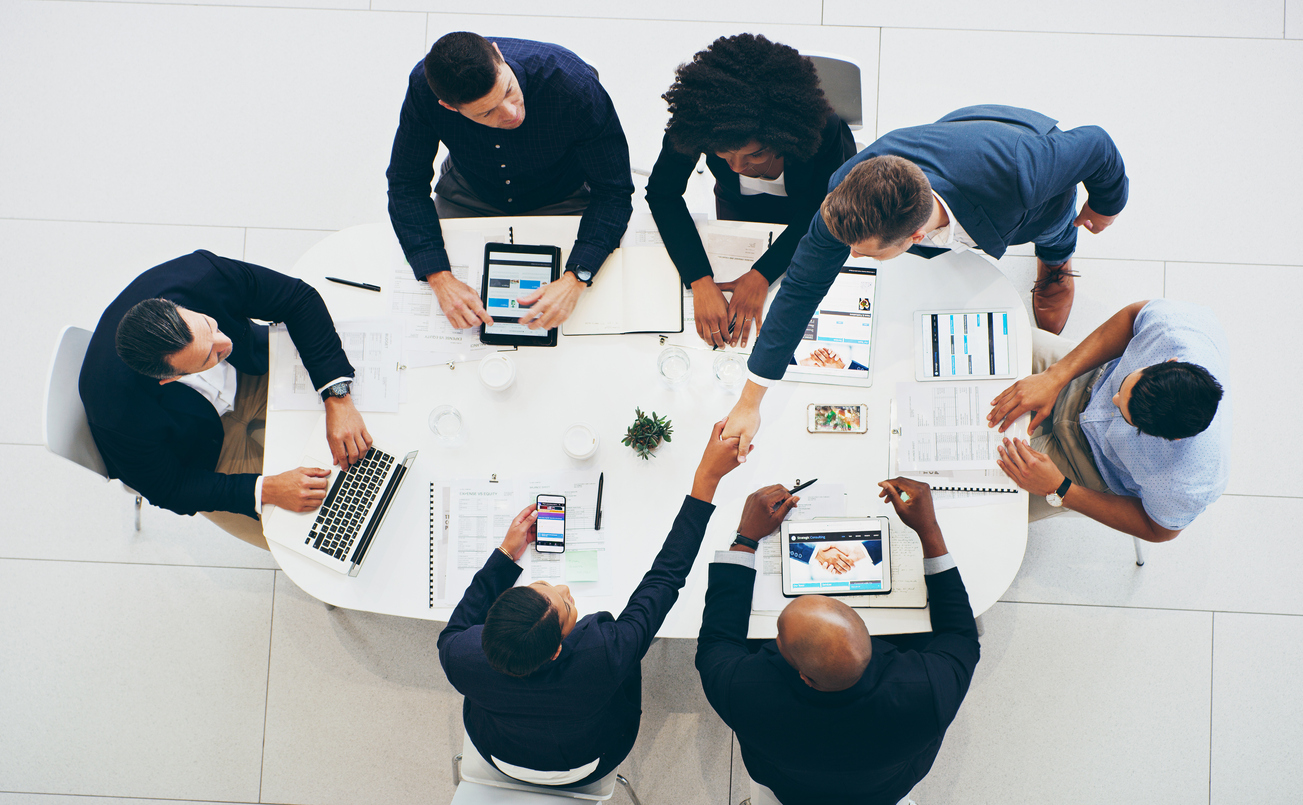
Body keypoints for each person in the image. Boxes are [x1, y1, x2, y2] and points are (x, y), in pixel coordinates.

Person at [722, 105, 1129, 458]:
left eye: (866, 252)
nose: (853, 257)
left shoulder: (1024, 170)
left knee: (1056, 226)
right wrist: (749, 401)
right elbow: (800, 290)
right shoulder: (845, 196)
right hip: (946, 160)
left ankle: (1056, 263)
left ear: (915, 236)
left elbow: (1096, 144)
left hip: (1015, 176)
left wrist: (1106, 204)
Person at [436, 418, 759, 786]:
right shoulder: (604, 655)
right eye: (567, 607)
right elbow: (665, 578)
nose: (564, 589)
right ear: (558, 651)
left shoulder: (458, 654)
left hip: (498, 751)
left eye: (544, 586)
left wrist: (508, 553)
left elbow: (460, 622)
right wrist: (707, 480)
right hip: (591, 758)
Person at [696, 478, 980, 805]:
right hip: (885, 789)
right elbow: (961, 635)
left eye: (779, 639)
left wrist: (745, 538)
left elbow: (716, 641)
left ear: (803, 676)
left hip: (789, 788)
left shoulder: (740, 691)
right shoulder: (931, 691)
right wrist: (928, 529)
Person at [79, 251, 372, 549]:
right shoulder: (115, 412)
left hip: (252, 369)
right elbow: (169, 488)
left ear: (174, 306)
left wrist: (337, 398)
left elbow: (298, 299)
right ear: (168, 379)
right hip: (199, 449)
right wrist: (266, 489)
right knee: (307, 533)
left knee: (368, 429)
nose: (225, 343)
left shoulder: (198, 276)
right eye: (210, 357)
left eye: (210, 326)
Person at [386, 32, 634, 332]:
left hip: (561, 192)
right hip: (470, 190)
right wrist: (438, 276)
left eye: (507, 90)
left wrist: (576, 277)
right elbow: (405, 183)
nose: (512, 113)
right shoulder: (424, 90)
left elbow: (613, 191)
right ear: (449, 107)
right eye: (487, 112)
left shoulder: (573, 85)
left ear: (498, 55)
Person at [646, 33, 857, 349]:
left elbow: (821, 208)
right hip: (739, 205)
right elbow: (662, 194)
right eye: (722, 154)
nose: (735, 167)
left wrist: (762, 275)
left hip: (811, 204)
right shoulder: (701, 124)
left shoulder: (820, 129)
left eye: (755, 155)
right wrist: (699, 280)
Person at [988, 299, 1230, 541]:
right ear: (1169, 362)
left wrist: (1060, 488)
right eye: (1123, 388)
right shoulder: (1176, 328)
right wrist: (1055, 376)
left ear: (1170, 439)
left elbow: (1158, 530)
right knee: (990, 342)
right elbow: (1131, 317)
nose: (1113, 399)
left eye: (1127, 417)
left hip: (1088, 465)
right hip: (1087, 374)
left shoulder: (1187, 484)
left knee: (975, 485)